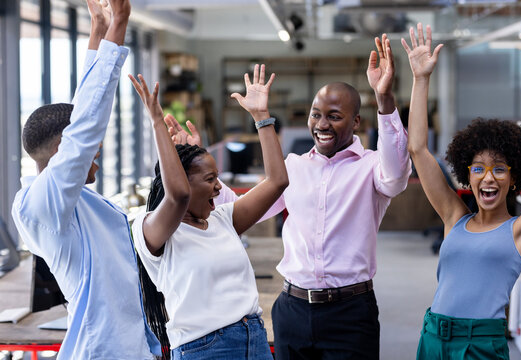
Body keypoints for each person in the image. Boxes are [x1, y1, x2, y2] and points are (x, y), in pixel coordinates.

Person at [169, 34, 411, 360]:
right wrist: (194, 163)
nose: (321, 124)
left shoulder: (372, 167)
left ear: (356, 122)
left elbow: (397, 177)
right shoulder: (292, 168)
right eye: (315, 114)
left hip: (350, 313)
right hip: (293, 310)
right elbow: (233, 207)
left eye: (334, 116)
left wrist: (384, 99)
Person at [11, 1, 161, 359]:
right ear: (65, 150)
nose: (97, 150)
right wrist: (120, 23)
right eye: (89, 147)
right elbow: (85, 125)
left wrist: (99, 31)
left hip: (131, 347)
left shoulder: (70, 197)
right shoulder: (40, 205)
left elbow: (80, 115)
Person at [402, 23, 521, 359]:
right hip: (433, 335)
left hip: (478, 344)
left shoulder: (520, 230)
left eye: (499, 169)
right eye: (478, 168)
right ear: (469, 175)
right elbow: (418, 149)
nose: (487, 178)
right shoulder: (454, 218)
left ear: (514, 178)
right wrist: (420, 80)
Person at [130, 64, 288, 360]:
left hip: (253, 340)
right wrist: (157, 125)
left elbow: (278, 181)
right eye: (209, 179)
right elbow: (177, 195)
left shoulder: (222, 218)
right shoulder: (152, 230)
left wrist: (261, 118)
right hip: (204, 350)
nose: (219, 187)